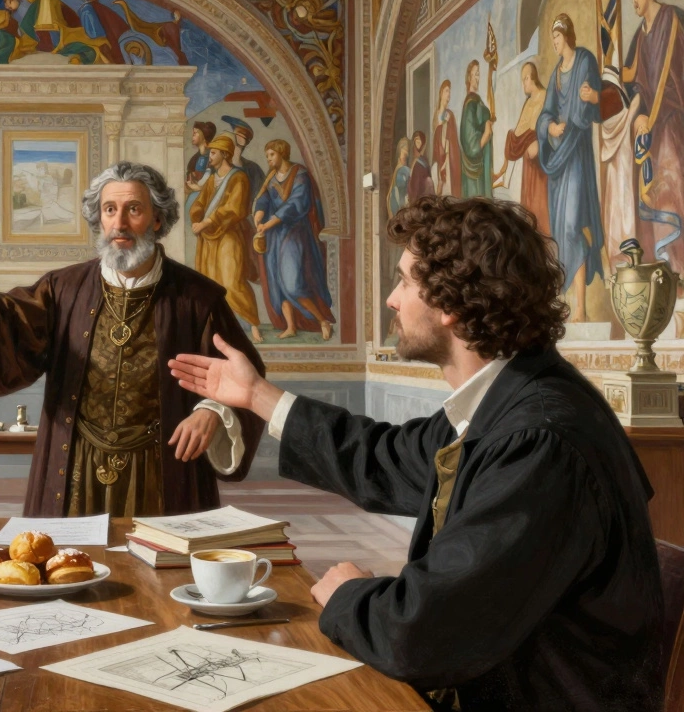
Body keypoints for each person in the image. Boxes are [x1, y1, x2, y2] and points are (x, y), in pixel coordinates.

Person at [170, 195, 663, 710]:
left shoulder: (538, 441)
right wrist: (256, 396)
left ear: (450, 305)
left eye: (405, 281)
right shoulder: (510, 400)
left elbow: (421, 635)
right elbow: (381, 458)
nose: (391, 299)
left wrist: (347, 593)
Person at [0, 161, 265, 517]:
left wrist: (212, 411)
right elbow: (10, 330)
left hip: (163, 471)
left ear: (157, 219)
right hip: (73, 468)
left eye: (134, 209)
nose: (120, 223)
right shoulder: (63, 288)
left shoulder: (198, 299)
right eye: (110, 210)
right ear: (99, 220)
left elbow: (245, 377)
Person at [537, 14, 605, 322]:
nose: (554, 41)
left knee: (571, 225)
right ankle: (575, 307)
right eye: (551, 37)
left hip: (577, 152)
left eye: (557, 35)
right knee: (562, 231)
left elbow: (599, 100)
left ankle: (581, 308)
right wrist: (549, 127)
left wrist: (593, 97)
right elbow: (545, 113)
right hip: (559, 162)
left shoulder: (585, 61)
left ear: (568, 35)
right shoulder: (556, 74)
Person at [251, 139, 335, 340]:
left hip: (294, 232)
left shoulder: (300, 174)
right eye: (267, 155)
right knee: (277, 284)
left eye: (271, 154)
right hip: (274, 236)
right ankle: (291, 326)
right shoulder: (271, 177)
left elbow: (297, 204)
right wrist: (259, 215)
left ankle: (322, 320)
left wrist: (269, 223)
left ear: (281, 153)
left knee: (292, 283)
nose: (269, 159)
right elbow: (263, 199)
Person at [626, 0, 684, 264]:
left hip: (672, 124)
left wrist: (654, 116)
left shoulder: (671, 19)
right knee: (660, 201)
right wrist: (639, 116)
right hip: (651, 132)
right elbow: (637, 87)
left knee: (674, 195)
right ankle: (677, 276)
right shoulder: (640, 37)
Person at [190, 135, 263, 343]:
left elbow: (235, 208)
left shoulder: (238, 178)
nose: (209, 156)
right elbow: (199, 203)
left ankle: (254, 325)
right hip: (208, 238)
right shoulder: (212, 179)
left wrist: (207, 221)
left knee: (232, 281)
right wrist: (197, 219)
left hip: (229, 235)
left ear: (224, 154)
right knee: (209, 282)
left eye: (213, 153)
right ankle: (213, 326)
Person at [500, 62, 550, 236]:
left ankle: (544, 236)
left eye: (524, 79)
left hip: (542, 161)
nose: (523, 84)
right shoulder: (528, 103)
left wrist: (537, 140)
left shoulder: (545, 96)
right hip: (529, 162)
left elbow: (545, 126)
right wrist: (513, 136)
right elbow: (522, 128)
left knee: (541, 202)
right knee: (529, 203)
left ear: (531, 77)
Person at [460, 60, 494, 197]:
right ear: (469, 78)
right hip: (475, 173)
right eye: (476, 74)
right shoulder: (470, 104)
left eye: (479, 74)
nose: (478, 78)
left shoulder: (477, 101)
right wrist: (486, 135)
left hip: (482, 163)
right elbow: (470, 143)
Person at [432, 80, 462, 197]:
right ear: (441, 93)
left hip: (448, 159)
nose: (449, 94)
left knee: (448, 193)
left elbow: (452, 140)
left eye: (450, 91)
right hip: (439, 159)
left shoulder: (449, 115)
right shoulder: (436, 115)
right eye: (446, 91)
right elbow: (436, 139)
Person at [184, 121, 216, 212]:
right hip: (194, 197)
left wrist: (200, 188)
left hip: (210, 200)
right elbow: (189, 180)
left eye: (195, 133)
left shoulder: (214, 156)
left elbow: (218, 180)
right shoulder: (194, 159)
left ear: (202, 136)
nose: (192, 136)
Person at [406, 131, 434, 201]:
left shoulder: (423, 160)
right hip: (413, 192)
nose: (418, 144)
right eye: (416, 141)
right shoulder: (412, 159)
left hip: (421, 194)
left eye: (420, 141)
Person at [387, 137, 411, 215]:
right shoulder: (399, 169)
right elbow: (391, 192)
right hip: (397, 202)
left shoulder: (406, 169)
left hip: (403, 203)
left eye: (407, 150)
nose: (405, 153)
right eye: (403, 148)